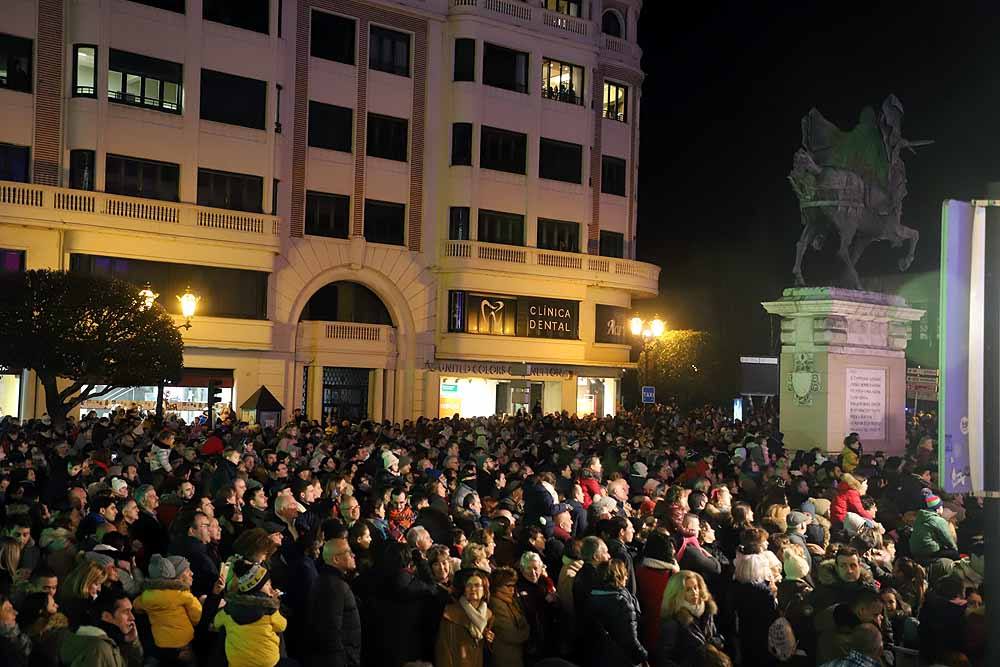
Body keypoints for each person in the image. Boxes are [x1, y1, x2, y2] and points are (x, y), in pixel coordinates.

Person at [212, 560, 287, 667]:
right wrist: (275, 602)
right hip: (267, 662)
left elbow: (216, 622)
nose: (270, 587)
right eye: (266, 584)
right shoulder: (269, 610)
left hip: (237, 663)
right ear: (256, 587)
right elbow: (282, 625)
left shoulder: (228, 610)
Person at [132, 554, 202, 666]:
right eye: (187, 570)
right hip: (183, 644)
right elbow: (197, 618)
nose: (192, 573)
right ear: (174, 574)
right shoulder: (182, 595)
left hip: (161, 644)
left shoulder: (145, 597)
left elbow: (135, 606)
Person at [305, 537, 361, 667]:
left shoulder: (330, 581)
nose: (353, 555)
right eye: (348, 552)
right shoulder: (333, 586)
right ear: (336, 559)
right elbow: (331, 631)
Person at [59, 588, 143, 667]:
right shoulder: (98, 648)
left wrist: (132, 642)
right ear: (106, 616)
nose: (132, 617)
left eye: (131, 611)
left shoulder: (111, 640)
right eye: (125, 612)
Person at [586, 559, 647, 667]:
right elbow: (630, 638)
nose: (627, 577)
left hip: (601, 655)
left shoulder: (592, 595)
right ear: (618, 576)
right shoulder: (622, 602)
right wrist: (643, 656)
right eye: (624, 574)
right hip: (623, 658)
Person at [656, 570, 723, 667]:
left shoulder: (707, 611)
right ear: (677, 593)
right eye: (688, 590)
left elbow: (715, 635)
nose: (694, 592)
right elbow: (664, 658)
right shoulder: (673, 621)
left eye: (695, 587)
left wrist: (716, 642)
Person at [435, 569, 495, 667]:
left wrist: (488, 641)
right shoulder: (451, 613)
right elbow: (443, 649)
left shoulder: (489, 615)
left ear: (484, 590)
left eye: (477, 585)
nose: (472, 589)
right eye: (468, 585)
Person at [635, 528, 679, 652]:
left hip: (645, 626)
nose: (674, 551)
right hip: (665, 629)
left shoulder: (639, 569)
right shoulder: (672, 575)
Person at [489, 566, 529, 667]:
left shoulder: (509, 601)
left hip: (514, 655)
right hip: (505, 657)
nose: (513, 589)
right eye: (509, 586)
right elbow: (510, 634)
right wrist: (527, 631)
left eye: (514, 585)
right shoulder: (496, 604)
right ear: (498, 586)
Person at [909, 492, 960, 561]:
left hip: (914, 551)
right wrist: (955, 549)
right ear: (938, 509)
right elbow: (947, 538)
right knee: (954, 554)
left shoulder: (919, 517)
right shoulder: (938, 520)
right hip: (929, 551)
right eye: (941, 506)